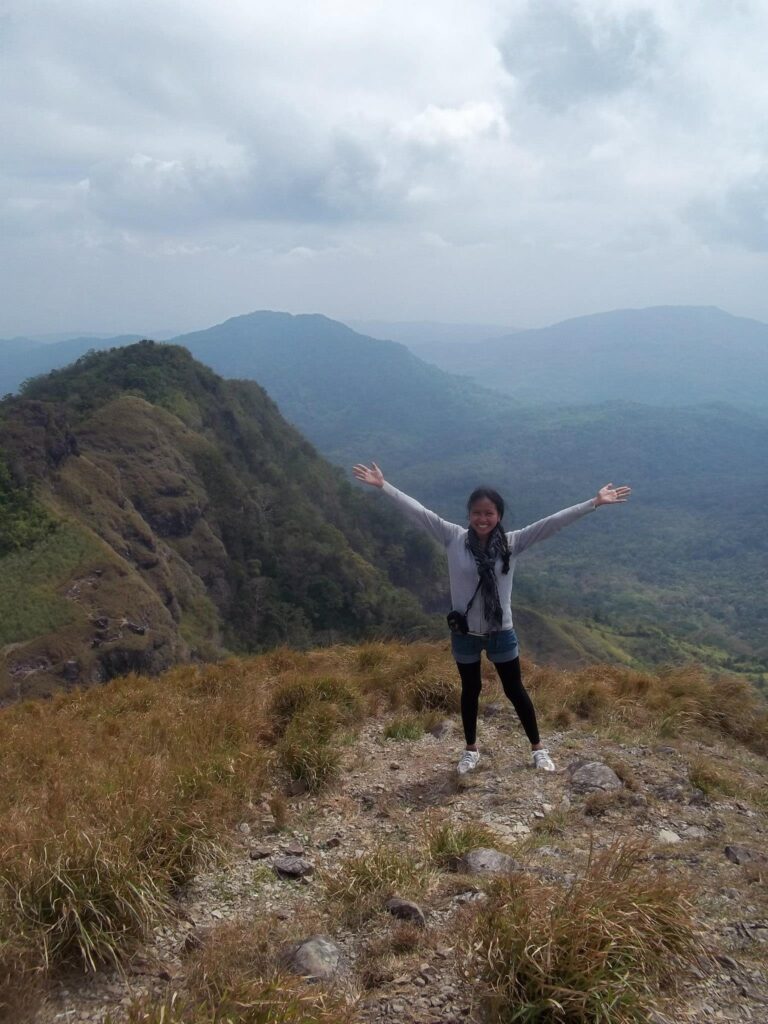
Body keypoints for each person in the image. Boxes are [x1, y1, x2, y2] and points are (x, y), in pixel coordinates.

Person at [351, 462, 631, 774]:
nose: (482, 519)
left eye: (489, 513)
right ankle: (470, 750)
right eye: (477, 513)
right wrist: (383, 486)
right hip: (465, 633)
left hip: (501, 631)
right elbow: (418, 512)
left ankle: (538, 749)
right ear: (468, 515)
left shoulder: (512, 543)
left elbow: (552, 524)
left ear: (498, 516)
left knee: (515, 690)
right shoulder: (452, 538)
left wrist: (593, 503)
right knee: (470, 690)